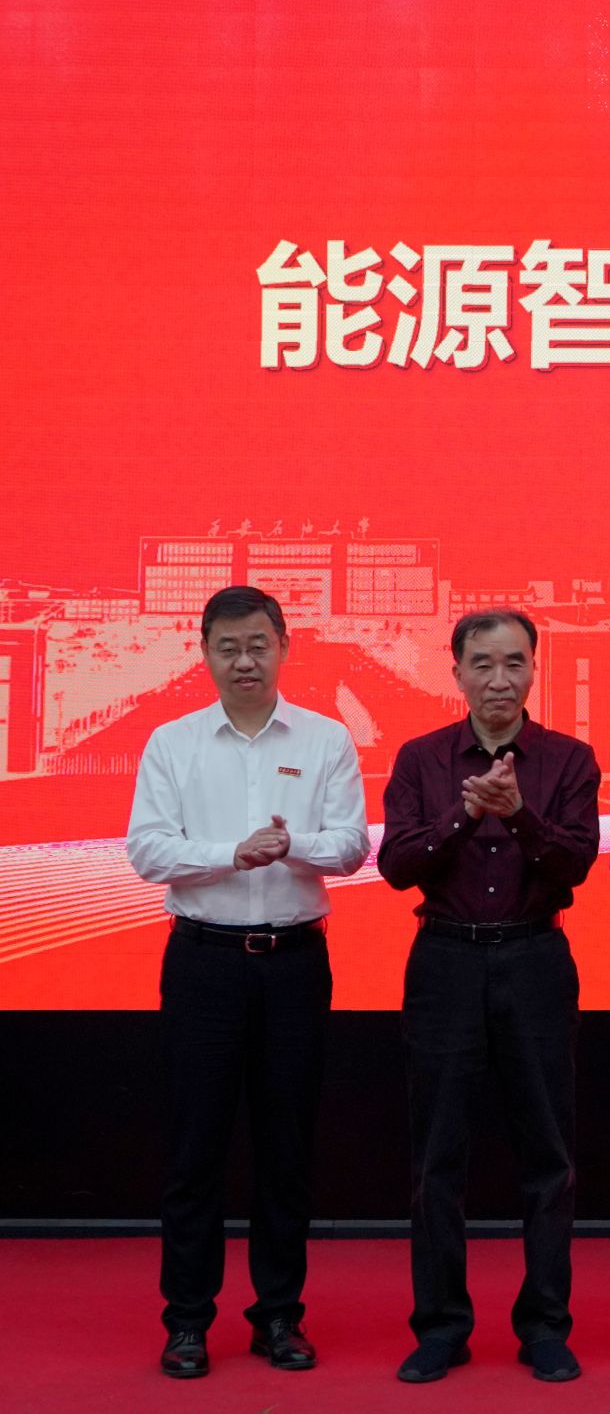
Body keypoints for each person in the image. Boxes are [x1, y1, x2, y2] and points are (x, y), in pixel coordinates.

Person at [125, 585, 370, 1378]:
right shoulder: (173, 742)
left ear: (284, 646)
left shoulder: (327, 738)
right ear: (204, 653)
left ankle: (279, 1315)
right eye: (228, 647)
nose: (244, 661)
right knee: (195, 1147)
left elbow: (351, 846)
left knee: (286, 1147)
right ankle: (187, 1321)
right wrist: (231, 854)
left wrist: (290, 845)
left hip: (294, 963)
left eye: (258, 645)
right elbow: (148, 850)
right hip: (204, 962)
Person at [377, 609, 600, 1384]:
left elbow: (576, 863)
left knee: (548, 1155)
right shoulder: (421, 758)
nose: (499, 679)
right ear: (457, 672)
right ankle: (441, 1325)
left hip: (535, 956)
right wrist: (466, 813)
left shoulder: (569, 759)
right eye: (483, 663)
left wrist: (519, 815)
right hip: (445, 960)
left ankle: (545, 1326)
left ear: (534, 669)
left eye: (514, 663)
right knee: (438, 1154)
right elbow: (397, 864)